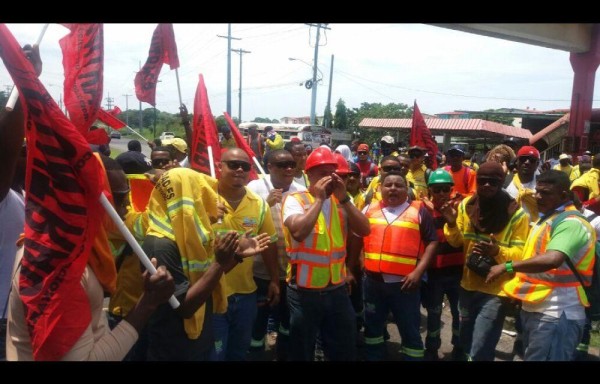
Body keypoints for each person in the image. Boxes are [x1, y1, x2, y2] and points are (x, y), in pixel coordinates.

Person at [7, 155, 176, 361]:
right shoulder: (57, 265)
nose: (125, 209)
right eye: (120, 198)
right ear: (83, 197)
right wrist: (147, 304)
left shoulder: (64, 243)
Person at [140, 167, 271, 360]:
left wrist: (235, 256)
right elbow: (184, 307)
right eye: (200, 195)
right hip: (176, 347)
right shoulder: (161, 245)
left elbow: (205, 279)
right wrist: (219, 262)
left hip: (199, 334)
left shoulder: (187, 237)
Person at [487, 170, 596, 361]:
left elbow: (553, 259)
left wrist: (507, 267)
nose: (538, 196)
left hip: (557, 312)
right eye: (537, 191)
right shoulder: (546, 219)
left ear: (564, 195)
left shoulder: (571, 223)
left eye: (545, 193)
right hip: (538, 309)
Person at [282, 146, 370, 361]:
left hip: (337, 290)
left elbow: (364, 230)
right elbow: (300, 232)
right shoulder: (296, 200)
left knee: (343, 347)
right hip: (304, 292)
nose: (329, 178)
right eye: (322, 173)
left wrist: (345, 199)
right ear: (309, 174)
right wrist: (319, 199)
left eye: (333, 173)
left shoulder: (342, 202)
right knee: (302, 349)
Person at [441, 161, 530, 361]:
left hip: (495, 290)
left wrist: (497, 251)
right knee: (464, 339)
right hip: (468, 285)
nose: (487, 185)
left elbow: (521, 254)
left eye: (493, 182)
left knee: (482, 345)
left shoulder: (516, 214)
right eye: (482, 181)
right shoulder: (467, 206)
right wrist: (451, 223)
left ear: (500, 184)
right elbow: (456, 242)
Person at [357, 171, 438, 360]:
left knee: (410, 330)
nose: (393, 188)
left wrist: (418, 272)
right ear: (380, 188)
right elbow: (358, 237)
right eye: (388, 185)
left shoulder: (419, 211)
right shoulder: (368, 208)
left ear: (407, 190)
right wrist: (361, 260)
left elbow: (432, 242)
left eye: (398, 185)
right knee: (373, 328)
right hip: (373, 283)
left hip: (405, 285)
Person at [210, 148, 279, 361]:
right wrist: (208, 216)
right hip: (211, 292)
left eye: (245, 166)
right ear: (220, 166)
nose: (240, 169)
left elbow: (269, 243)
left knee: (239, 353)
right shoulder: (204, 198)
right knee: (214, 355)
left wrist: (275, 280)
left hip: (246, 294)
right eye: (233, 164)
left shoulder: (258, 204)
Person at [247, 149, 306, 361]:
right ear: (269, 167)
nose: (289, 168)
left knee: (287, 322)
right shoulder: (254, 188)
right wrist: (266, 204)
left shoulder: (301, 191)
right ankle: (255, 354)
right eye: (282, 165)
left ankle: (283, 353)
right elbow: (245, 223)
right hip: (260, 271)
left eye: (291, 164)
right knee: (258, 321)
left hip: (291, 271)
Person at [421, 169, 464, 360]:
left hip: (457, 271)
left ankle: (459, 347)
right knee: (434, 311)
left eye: (445, 189)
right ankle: (431, 348)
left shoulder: (461, 209)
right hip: (435, 272)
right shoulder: (424, 211)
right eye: (437, 190)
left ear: (451, 190)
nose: (441, 194)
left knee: (459, 312)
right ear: (430, 190)